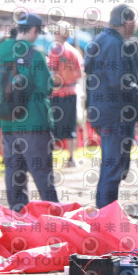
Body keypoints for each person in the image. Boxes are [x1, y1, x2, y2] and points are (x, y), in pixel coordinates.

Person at [84, 4, 138, 209]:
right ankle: (106, 215)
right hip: (116, 113)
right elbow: (120, 81)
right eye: (133, 21)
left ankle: (107, 213)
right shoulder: (115, 44)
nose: (135, 26)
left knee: (114, 166)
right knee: (113, 168)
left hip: (103, 111)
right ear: (127, 21)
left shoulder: (99, 40)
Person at [0, 13, 59, 211]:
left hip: (8, 122)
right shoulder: (35, 55)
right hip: (34, 123)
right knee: (42, 175)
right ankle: (54, 217)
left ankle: (18, 217)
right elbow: (46, 87)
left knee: (14, 173)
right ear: (33, 30)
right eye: (38, 32)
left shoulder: (1, 52)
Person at [48, 21, 84, 168]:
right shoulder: (74, 52)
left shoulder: (55, 51)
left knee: (53, 127)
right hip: (71, 92)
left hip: (57, 93)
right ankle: (71, 159)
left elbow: (51, 72)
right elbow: (79, 74)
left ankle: (49, 158)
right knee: (70, 127)